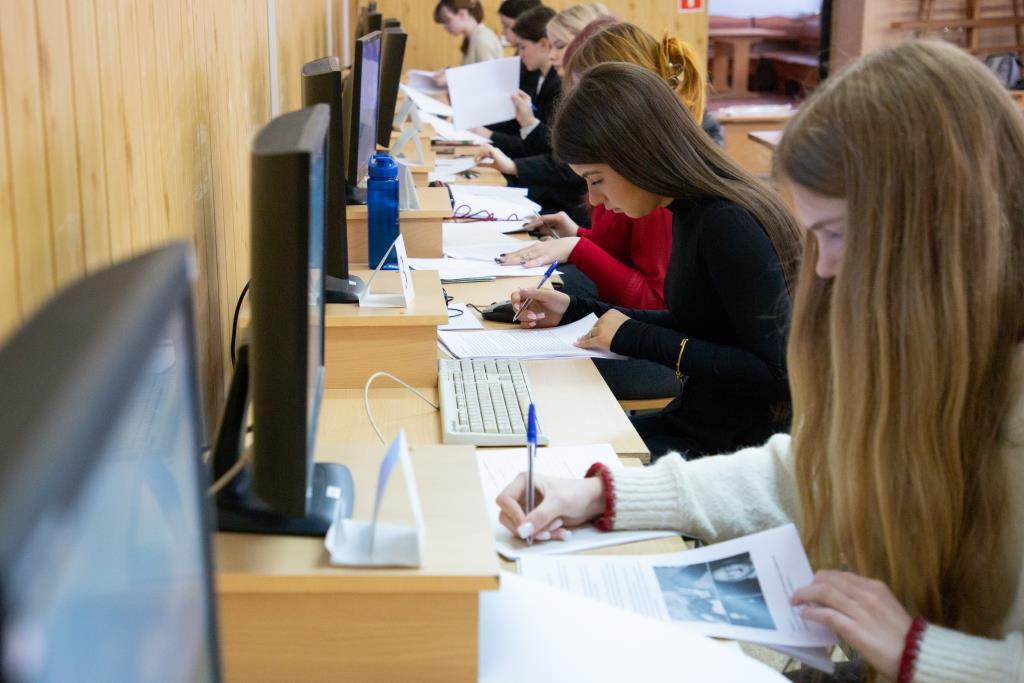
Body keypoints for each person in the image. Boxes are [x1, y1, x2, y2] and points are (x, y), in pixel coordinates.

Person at [498, 40, 1024, 682]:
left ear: (942, 226)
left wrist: (917, 650)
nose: (825, 270)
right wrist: (604, 493)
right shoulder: (928, 349)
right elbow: (814, 468)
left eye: (837, 234)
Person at [509, 62, 799, 457]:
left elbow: (779, 373)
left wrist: (637, 337)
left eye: (597, 180)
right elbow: (702, 324)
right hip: (698, 423)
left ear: (636, 155)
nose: (594, 199)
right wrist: (576, 310)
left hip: (733, 452)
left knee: (545, 451)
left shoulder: (726, 221)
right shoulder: (691, 209)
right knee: (543, 436)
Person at [486, 6, 561, 158]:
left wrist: (489, 135)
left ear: (544, 45)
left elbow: (548, 146)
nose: (520, 55)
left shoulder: (558, 84)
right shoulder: (538, 77)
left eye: (523, 47)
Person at [432, 0, 503, 87]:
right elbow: (474, 73)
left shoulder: (482, 38)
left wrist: (452, 79)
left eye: (447, 21)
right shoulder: (472, 38)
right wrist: (450, 73)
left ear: (462, 14)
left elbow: (489, 81)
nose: (444, 27)